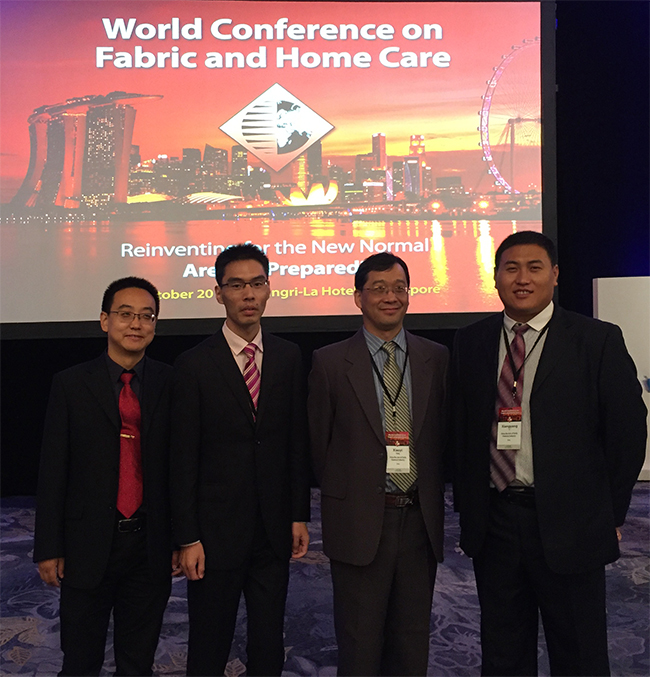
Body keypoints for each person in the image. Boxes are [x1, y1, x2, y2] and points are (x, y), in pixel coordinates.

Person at [452, 230, 647, 676]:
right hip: (496, 523)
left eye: (534, 268)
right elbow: (460, 432)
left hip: (572, 524)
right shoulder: (471, 341)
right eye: (511, 268)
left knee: (579, 651)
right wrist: (470, 509)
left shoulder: (595, 339)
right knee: (502, 651)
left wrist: (610, 512)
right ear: (496, 277)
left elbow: (626, 433)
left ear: (555, 275)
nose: (522, 278)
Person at [170, 243, 311, 676]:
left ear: (268, 289)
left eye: (257, 283)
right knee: (209, 643)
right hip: (214, 533)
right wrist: (187, 537)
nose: (248, 294)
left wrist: (298, 514)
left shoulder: (288, 357)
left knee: (268, 642)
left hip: (273, 528)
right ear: (219, 293)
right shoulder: (193, 365)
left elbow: (295, 443)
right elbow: (182, 458)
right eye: (236, 285)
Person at [308, 252, 449, 676]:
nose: (391, 297)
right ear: (358, 297)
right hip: (358, 520)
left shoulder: (436, 357)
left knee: (412, 641)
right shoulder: (330, 362)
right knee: (359, 643)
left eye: (399, 288)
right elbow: (319, 446)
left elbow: (444, 436)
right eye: (379, 288)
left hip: (419, 521)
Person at [34, 276, 177, 676]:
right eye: (125, 314)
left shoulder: (173, 383)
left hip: (150, 544)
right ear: (104, 320)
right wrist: (48, 546)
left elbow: (181, 468)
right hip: (86, 544)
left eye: (146, 316)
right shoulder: (70, 384)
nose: (136, 324)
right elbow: (53, 470)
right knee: (80, 661)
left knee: (138, 661)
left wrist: (182, 537)